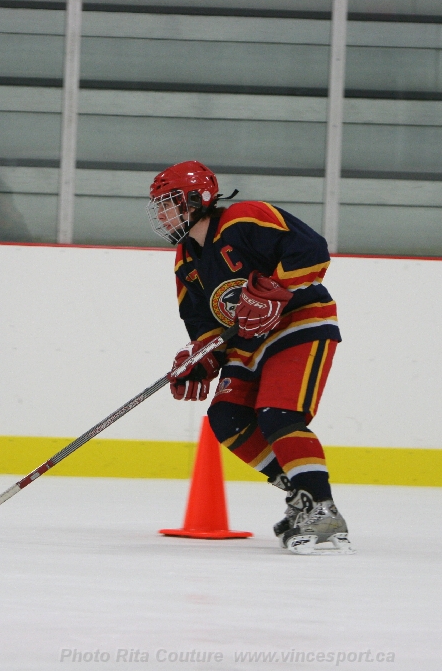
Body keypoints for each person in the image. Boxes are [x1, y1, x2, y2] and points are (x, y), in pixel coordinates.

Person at [147, 160, 353, 555]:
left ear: (196, 199)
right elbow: (203, 323)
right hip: (248, 343)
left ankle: (323, 510)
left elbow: (312, 250)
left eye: (167, 204)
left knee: (279, 414)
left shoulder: (245, 218)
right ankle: (301, 492)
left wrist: (273, 288)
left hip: (299, 323)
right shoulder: (185, 260)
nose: (161, 215)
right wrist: (202, 358)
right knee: (227, 417)